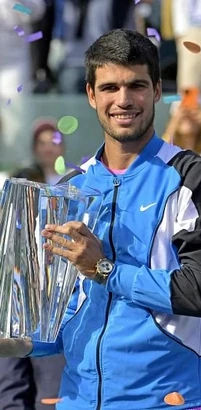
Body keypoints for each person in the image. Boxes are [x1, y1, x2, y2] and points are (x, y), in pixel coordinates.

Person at [0, 29, 201, 410]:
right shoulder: (71, 188)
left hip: (166, 403)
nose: (123, 100)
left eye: (136, 85)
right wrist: (15, 339)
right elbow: (60, 322)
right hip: (77, 402)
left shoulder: (193, 179)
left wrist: (105, 269)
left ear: (157, 90)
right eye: (109, 88)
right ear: (91, 95)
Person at [0, 120, 66, 410]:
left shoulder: (60, 242)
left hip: (48, 319)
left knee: (49, 397)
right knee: (11, 395)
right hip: (12, 319)